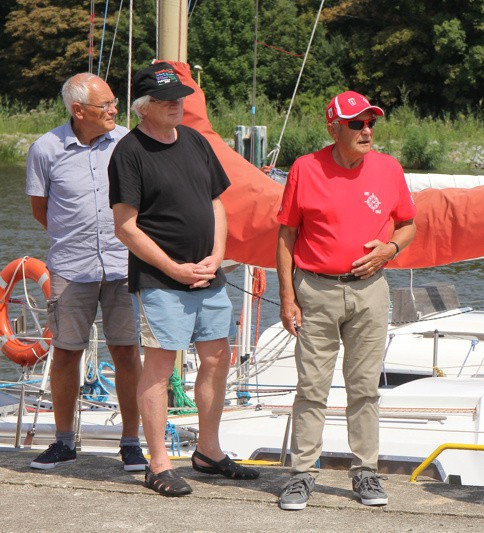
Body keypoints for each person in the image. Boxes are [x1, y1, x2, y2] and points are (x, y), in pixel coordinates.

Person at [108, 62, 258, 496]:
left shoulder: (194, 141)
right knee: (157, 367)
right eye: (166, 99)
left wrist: (216, 256)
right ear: (143, 106)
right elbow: (127, 227)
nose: (177, 104)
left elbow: (217, 205)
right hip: (160, 281)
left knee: (216, 358)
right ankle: (157, 464)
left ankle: (208, 452)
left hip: (208, 275)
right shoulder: (129, 152)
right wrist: (173, 268)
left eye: (179, 97)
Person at [275, 91, 417, 510]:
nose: (367, 130)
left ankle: (365, 473)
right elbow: (286, 236)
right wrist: (287, 297)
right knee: (311, 387)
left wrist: (390, 249)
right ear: (333, 128)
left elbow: (408, 225)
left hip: (370, 292)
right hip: (314, 289)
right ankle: (302, 475)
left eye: (370, 123)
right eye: (356, 124)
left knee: (364, 388)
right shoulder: (305, 168)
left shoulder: (389, 168)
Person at [26, 73, 146, 472]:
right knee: (65, 354)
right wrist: (73, 238)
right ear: (78, 111)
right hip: (71, 267)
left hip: (123, 264)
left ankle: (131, 444)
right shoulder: (45, 149)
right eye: (105, 105)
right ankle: (63, 442)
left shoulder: (130, 142)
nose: (114, 109)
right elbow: (40, 210)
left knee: (127, 353)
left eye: (114, 102)